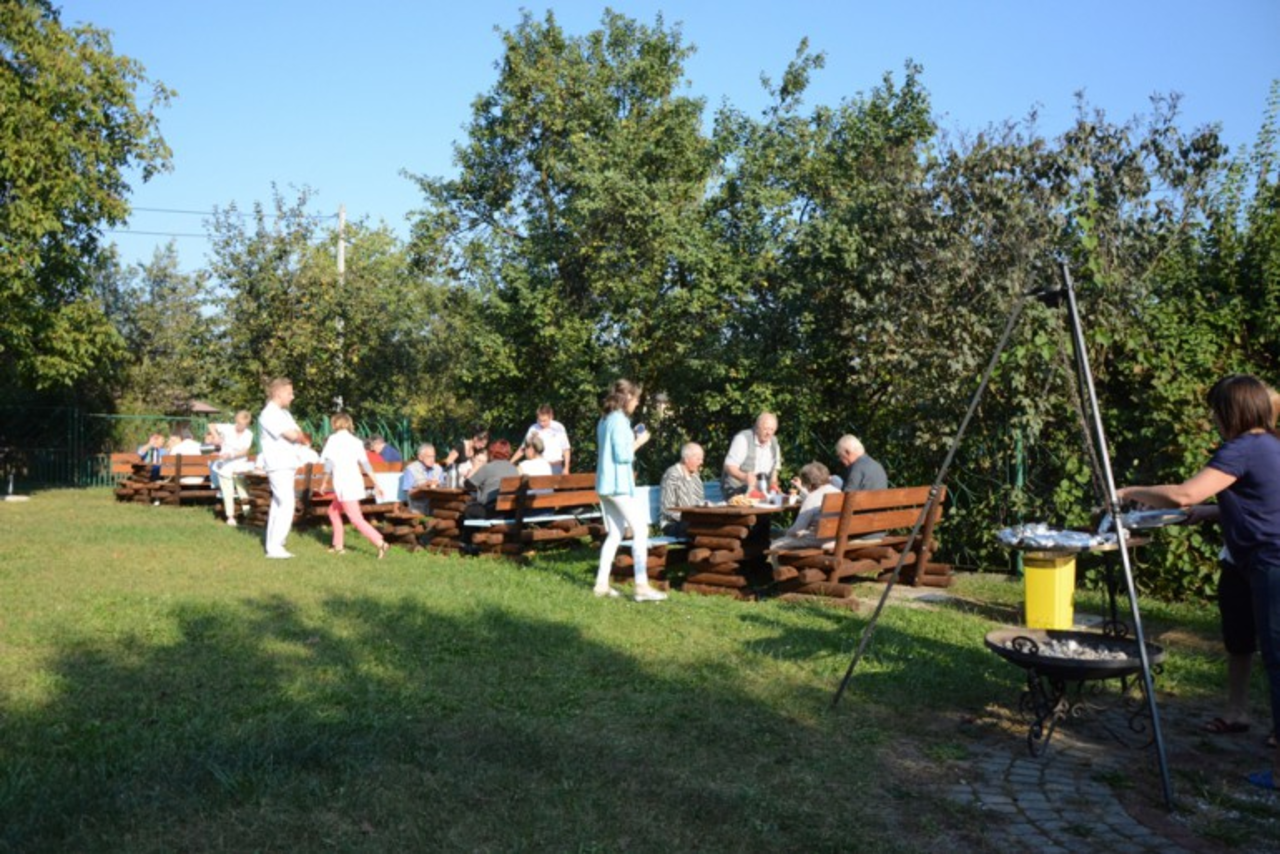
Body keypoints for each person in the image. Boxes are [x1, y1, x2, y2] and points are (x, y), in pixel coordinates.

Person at [1118, 374, 1280, 793]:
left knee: (1277, 659)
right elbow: (1260, 503)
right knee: (1263, 650)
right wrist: (1208, 514)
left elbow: (1184, 494)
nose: (1212, 419)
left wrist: (1130, 491)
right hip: (1260, 560)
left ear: (1231, 411)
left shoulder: (1242, 447)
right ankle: (1249, 724)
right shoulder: (1269, 444)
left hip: (1271, 562)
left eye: (1215, 411)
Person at [594, 379, 666, 602]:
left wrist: (630, 438)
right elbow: (623, 455)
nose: (637, 403)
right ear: (626, 398)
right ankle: (641, 586)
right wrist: (639, 441)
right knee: (641, 529)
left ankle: (601, 585)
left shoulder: (605, 419)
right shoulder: (618, 420)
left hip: (605, 485)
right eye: (635, 399)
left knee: (615, 533)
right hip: (618, 485)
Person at [318, 413, 389, 558]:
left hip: (344, 485)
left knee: (356, 519)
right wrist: (377, 484)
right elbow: (366, 464)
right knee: (333, 512)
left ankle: (380, 542)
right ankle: (338, 546)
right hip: (353, 483)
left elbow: (329, 463)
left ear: (335, 424)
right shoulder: (356, 441)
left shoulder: (333, 440)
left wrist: (324, 482)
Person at [258, 377, 305, 559]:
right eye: (289, 393)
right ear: (278, 393)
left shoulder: (284, 413)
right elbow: (292, 435)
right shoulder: (269, 413)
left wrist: (297, 435)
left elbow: (299, 433)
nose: (292, 397)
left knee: (279, 504)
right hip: (278, 463)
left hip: (286, 462)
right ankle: (276, 546)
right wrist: (296, 435)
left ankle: (274, 544)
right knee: (286, 503)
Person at [459, 438, 519, 552]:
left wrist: (476, 468)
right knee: (477, 509)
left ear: (492, 452)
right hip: (511, 511)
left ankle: (467, 543)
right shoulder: (514, 469)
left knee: (469, 511)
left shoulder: (488, 467)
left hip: (493, 511)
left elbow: (468, 484)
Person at [721, 412, 781, 499]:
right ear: (757, 428)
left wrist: (773, 485)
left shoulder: (774, 443)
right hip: (736, 491)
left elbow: (774, 471)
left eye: (772, 430)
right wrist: (744, 477)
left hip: (762, 492)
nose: (769, 433)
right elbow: (728, 466)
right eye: (766, 429)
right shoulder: (743, 439)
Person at [211, 410, 255, 526]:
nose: (241, 426)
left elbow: (244, 451)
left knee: (243, 491)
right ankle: (230, 516)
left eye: (244, 424)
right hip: (224, 466)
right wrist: (216, 437)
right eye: (239, 423)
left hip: (240, 466)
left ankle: (248, 515)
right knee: (228, 492)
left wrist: (231, 455)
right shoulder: (227, 428)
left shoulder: (249, 434)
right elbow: (211, 425)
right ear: (236, 420)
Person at [659, 442, 705, 539]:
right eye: (698, 459)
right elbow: (667, 509)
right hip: (673, 524)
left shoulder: (696, 477)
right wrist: (689, 518)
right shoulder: (672, 475)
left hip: (693, 521)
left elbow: (700, 503)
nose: (701, 462)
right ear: (686, 459)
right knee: (698, 529)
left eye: (701, 459)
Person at [512, 405, 572, 474]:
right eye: (539, 420)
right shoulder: (533, 428)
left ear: (551, 417)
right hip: (540, 467)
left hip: (556, 466)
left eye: (544, 421)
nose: (542, 423)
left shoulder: (558, 427)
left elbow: (566, 448)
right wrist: (510, 462)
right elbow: (524, 448)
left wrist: (566, 467)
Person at [401, 443, 444, 514]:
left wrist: (438, 485)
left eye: (433, 456)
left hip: (436, 509)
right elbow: (409, 493)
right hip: (418, 510)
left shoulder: (438, 469)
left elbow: (444, 488)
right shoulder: (411, 469)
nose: (432, 459)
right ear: (420, 457)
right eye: (429, 457)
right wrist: (424, 485)